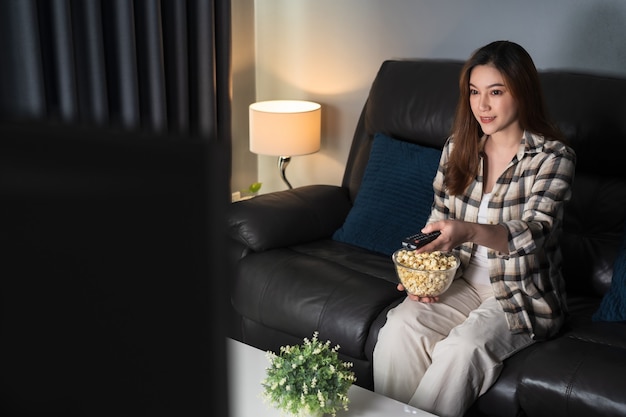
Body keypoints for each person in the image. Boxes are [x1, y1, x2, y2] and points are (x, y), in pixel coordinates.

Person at [373, 40, 576, 417]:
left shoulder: (553, 158)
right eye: (474, 92)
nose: (481, 105)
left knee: (463, 349)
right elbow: (438, 223)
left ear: (523, 92)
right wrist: (420, 275)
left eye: (495, 92)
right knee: (399, 328)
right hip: (461, 280)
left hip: (520, 293)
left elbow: (536, 231)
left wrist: (467, 230)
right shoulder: (457, 148)